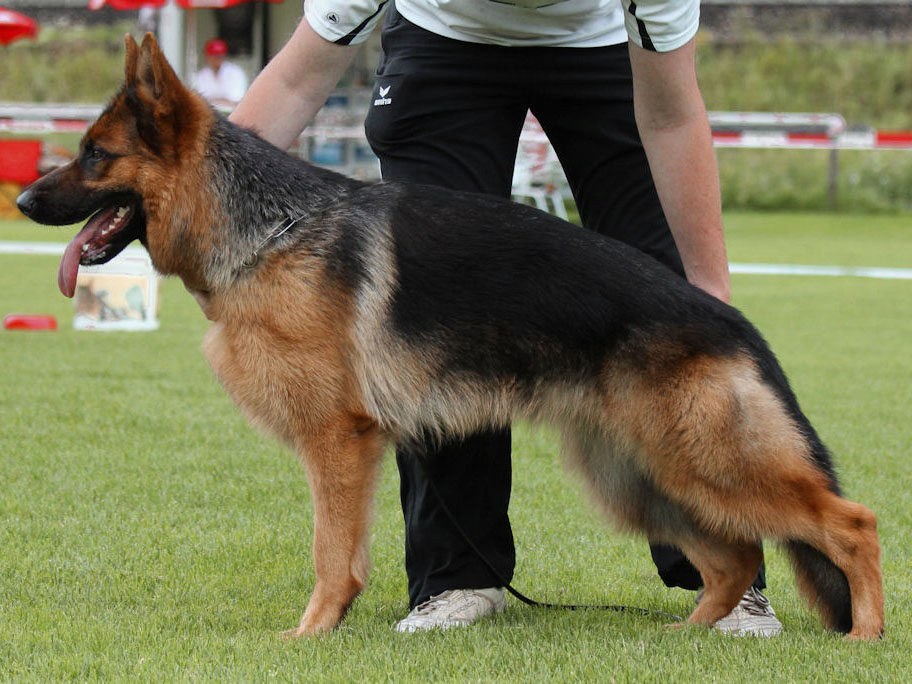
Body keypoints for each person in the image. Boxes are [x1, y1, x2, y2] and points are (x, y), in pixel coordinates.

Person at [230, 0, 783, 637]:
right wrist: (206, 196)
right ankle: (456, 576)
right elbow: (299, 79)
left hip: (604, 46)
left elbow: (672, 114)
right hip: (443, 40)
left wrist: (708, 285)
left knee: (666, 310)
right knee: (429, 304)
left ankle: (729, 579)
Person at [194, 38, 248, 108]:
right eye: (214, 56)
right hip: (209, 114)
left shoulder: (236, 72)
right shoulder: (201, 75)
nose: (218, 59)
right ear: (207, 57)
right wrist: (223, 100)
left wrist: (213, 100)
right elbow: (200, 101)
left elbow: (236, 100)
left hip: (231, 114)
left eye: (220, 56)